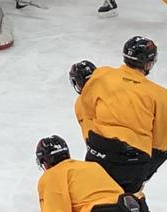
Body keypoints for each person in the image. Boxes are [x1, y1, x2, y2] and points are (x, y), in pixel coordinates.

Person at [70, 37, 167, 195]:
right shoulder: (161, 96)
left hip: (98, 150)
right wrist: (143, 173)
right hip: (133, 160)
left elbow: (86, 108)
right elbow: (161, 143)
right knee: (126, 202)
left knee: (96, 196)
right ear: (149, 63)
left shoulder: (101, 75)